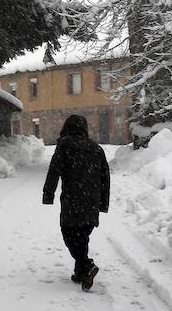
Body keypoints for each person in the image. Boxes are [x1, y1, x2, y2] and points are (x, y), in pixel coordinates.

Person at [42, 114, 110, 291]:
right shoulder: (97, 148)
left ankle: (86, 265)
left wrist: (48, 194)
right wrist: (103, 203)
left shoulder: (65, 144)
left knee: (69, 235)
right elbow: (105, 178)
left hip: (72, 200)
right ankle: (81, 273)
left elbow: (54, 170)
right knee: (82, 236)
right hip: (92, 201)